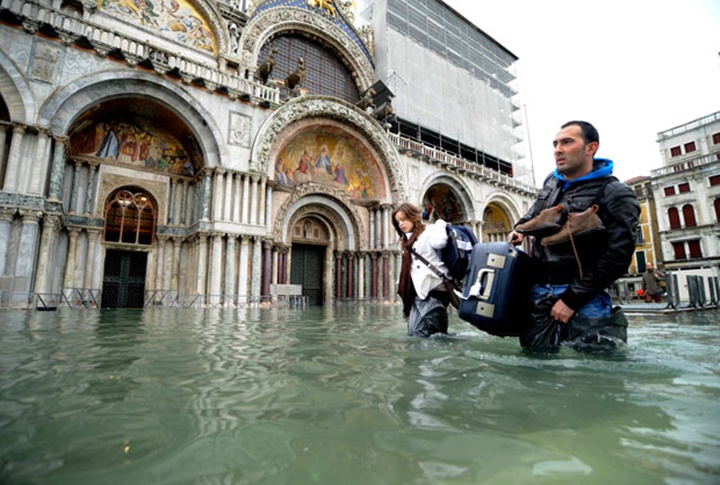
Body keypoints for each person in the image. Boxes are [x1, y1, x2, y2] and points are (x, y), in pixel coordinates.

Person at [509, 121, 640, 346]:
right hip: (538, 294)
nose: (557, 149)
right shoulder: (552, 183)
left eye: (567, 142)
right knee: (536, 373)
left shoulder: (616, 193)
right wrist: (520, 229)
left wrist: (571, 299)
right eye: (555, 144)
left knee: (598, 375)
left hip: (585, 299)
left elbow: (618, 257)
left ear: (591, 148)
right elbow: (536, 211)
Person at [392, 203, 451, 337]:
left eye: (404, 219)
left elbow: (440, 243)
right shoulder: (408, 242)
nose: (401, 224)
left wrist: (440, 223)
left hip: (435, 289)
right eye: (398, 221)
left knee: (425, 334)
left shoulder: (430, 230)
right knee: (417, 333)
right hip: (419, 292)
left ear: (413, 217)